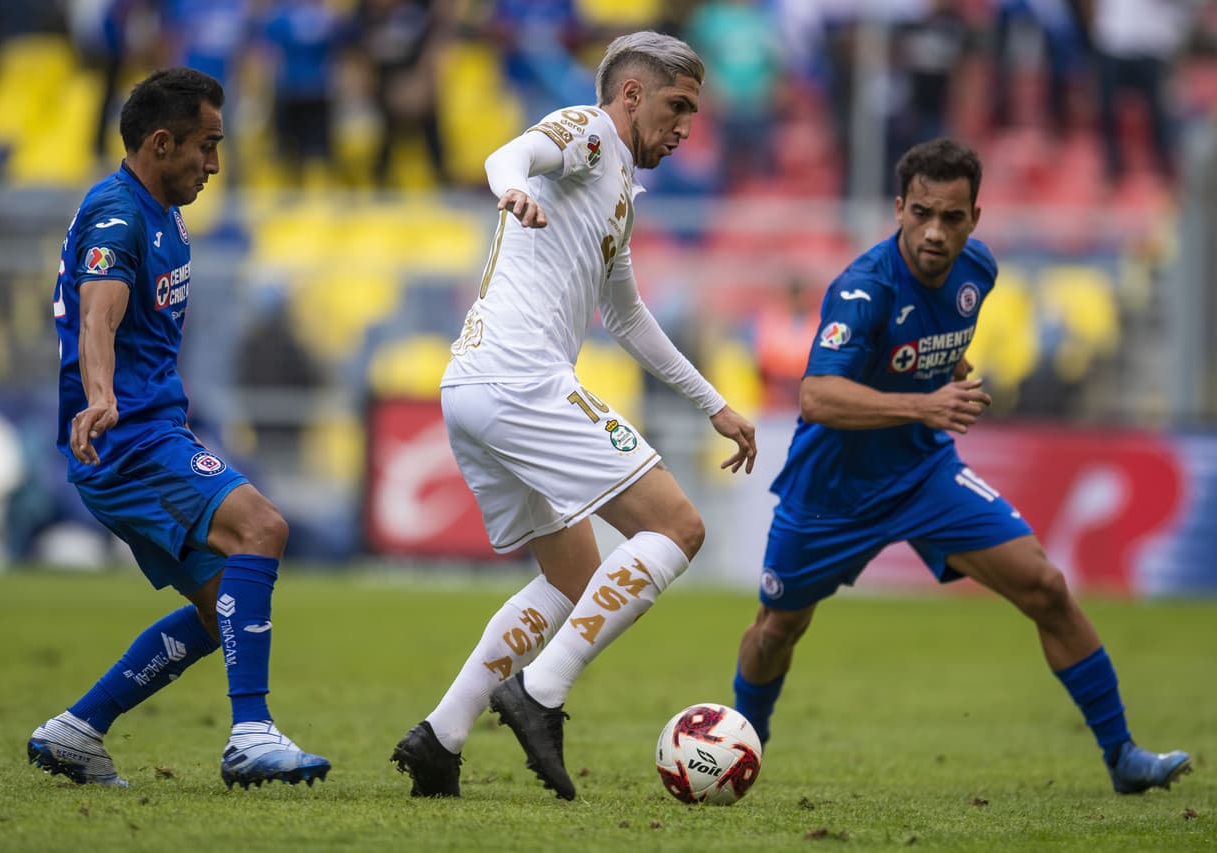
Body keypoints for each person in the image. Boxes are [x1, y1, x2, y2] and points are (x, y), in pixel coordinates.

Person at [730, 137, 1191, 796]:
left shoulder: (980, 269)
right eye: (921, 213)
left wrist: (940, 366)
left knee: (1046, 587)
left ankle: (1122, 755)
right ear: (898, 209)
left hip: (922, 474)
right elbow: (817, 395)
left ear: (975, 217)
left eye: (951, 216)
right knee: (778, 628)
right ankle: (741, 739)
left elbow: (925, 344)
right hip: (832, 491)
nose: (934, 232)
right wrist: (925, 399)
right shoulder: (862, 288)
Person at [390, 30, 757, 801]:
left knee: (574, 578)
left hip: (475, 388)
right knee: (680, 528)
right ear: (631, 95)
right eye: (676, 106)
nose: (686, 126)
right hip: (522, 381)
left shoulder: (616, 192)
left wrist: (715, 403)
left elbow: (627, 319)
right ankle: (540, 692)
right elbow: (509, 156)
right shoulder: (590, 132)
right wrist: (509, 187)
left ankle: (440, 737)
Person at [29, 67, 330, 791]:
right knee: (264, 527)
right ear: (161, 143)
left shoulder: (162, 209)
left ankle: (76, 729)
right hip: (129, 439)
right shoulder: (117, 213)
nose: (215, 163)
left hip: (154, 430)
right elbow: (99, 311)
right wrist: (99, 395)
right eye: (206, 145)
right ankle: (251, 735)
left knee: (223, 604)